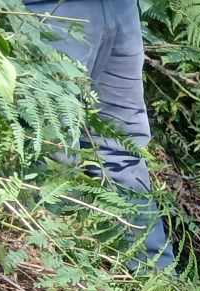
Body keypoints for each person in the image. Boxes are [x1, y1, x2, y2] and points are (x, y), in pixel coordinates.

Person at [24, 0, 174, 270]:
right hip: (76, 11)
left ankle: (152, 284)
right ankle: (151, 281)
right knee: (82, 152)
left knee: (71, 148)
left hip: (88, 11)